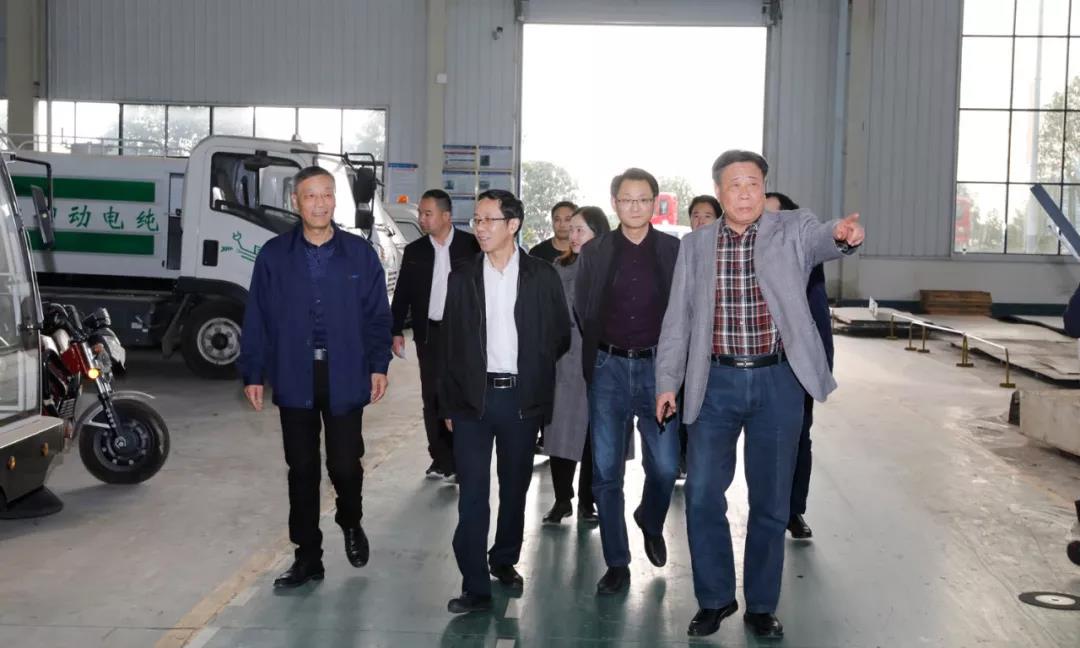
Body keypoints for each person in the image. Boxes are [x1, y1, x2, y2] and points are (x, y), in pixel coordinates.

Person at [655, 150, 863, 639]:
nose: (744, 193)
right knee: (702, 494)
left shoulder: (792, 229)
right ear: (718, 192)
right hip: (714, 383)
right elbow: (678, 320)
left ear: (764, 188)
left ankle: (762, 605)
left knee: (771, 500)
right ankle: (715, 598)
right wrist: (666, 381)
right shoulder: (696, 245)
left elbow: (823, 238)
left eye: (753, 183)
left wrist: (841, 235)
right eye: (734, 185)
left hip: (778, 382)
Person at [239, 166, 392, 589]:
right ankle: (308, 557)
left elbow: (378, 316)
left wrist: (378, 364)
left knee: (345, 465)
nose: (320, 203)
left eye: (327, 194)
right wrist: (253, 371)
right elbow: (257, 317)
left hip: (346, 372)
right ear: (296, 202)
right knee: (302, 469)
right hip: (294, 373)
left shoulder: (359, 254)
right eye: (310, 196)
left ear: (335, 200)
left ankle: (350, 518)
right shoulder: (274, 256)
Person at [439, 189, 570, 614]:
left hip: (519, 399)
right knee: (473, 494)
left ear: (512, 225)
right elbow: (448, 343)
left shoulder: (541, 275)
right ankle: (474, 584)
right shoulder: (462, 276)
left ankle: (504, 558)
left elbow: (560, 335)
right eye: (476, 220)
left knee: (514, 488)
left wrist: (533, 371)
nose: (479, 228)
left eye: (488, 220)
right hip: (471, 401)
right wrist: (448, 403)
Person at [575, 168, 681, 595]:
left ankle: (650, 520)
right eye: (626, 199)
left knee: (666, 466)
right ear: (614, 203)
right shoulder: (596, 251)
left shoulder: (673, 250)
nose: (634, 207)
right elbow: (584, 307)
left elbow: (684, 310)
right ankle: (617, 562)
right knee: (605, 472)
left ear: (654, 203)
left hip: (659, 371)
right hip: (609, 369)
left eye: (642, 199)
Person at [390, 189, 480, 481]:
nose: (422, 219)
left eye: (428, 213)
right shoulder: (415, 251)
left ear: (446, 216)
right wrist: (395, 330)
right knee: (432, 396)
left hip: (464, 335)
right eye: (421, 213)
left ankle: (461, 458)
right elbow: (402, 292)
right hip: (430, 333)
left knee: (461, 395)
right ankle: (441, 459)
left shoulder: (471, 246)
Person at [764, 191, 834, 540]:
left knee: (798, 438)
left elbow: (819, 319)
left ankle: (793, 510)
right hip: (756, 366)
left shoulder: (805, 259)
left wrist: (821, 370)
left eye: (772, 217)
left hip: (795, 368)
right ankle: (767, 508)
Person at [542, 206, 610, 525]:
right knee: (561, 434)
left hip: (601, 362)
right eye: (572, 229)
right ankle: (561, 500)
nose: (573, 234)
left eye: (580, 229)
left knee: (593, 438)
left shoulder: (611, 268)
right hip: (565, 362)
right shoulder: (559, 267)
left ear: (598, 233)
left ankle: (587, 501)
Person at [677, 195, 724, 480]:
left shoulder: (725, 252)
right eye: (695, 215)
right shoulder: (684, 249)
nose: (700, 220)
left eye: (707, 215)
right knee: (685, 404)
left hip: (716, 351)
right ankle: (683, 459)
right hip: (687, 347)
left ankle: (702, 465)